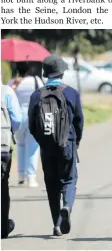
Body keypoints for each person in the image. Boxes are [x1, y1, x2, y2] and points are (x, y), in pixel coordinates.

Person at [29, 55, 84, 237]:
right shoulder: (71, 93)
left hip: (47, 147)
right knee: (69, 180)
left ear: (45, 73)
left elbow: (32, 125)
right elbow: (79, 122)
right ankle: (67, 207)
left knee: (51, 185)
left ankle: (56, 225)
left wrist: (43, 142)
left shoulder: (37, 95)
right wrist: (75, 142)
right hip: (66, 144)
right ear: (62, 72)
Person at [9, 62, 43, 188]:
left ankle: (21, 175)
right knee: (33, 147)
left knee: (21, 146)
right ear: (29, 70)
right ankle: (31, 176)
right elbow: (42, 94)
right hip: (32, 116)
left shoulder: (12, 82)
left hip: (17, 117)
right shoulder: (36, 81)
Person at [1, 84, 22, 239]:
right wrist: (9, 132)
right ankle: (2, 227)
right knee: (2, 186)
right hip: (2, 146)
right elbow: (16, 119)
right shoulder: (6, 92)